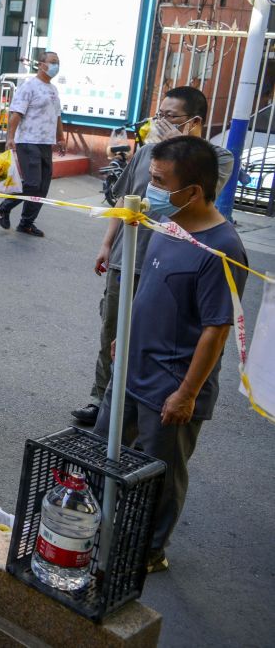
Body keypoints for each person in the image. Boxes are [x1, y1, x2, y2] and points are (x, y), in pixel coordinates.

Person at [92, 136, 247, 573]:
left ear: (194, 191)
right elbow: (149, 288)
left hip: (170, 386)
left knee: (158, 473)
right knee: (102, 448)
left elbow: (216, 329)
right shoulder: (168, 224)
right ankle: (104, 524)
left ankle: (150, 549)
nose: (150, 191)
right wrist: (127, 335)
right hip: (130, 369)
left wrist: (186, 393)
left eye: (159, 182)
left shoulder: (222, 248)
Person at [74, 86, 237, 425]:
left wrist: (180, 146)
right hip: (127, 256)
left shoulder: (215, 158)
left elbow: (208, 190)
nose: (160, 121)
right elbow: (125, 199)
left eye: (170, 116)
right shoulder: (147, 152)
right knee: (114, 332)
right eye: (158, 114)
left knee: (158, 336)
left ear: (194, 121)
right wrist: (107, 243)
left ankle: (148, 402)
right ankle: (103, 398)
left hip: (170, 260)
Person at [0, 51, 64, 237]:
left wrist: (61, 138)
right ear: (41, 64)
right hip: (27, 141)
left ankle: (26, 223)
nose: (56, 66)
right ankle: (4, 207)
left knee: (42, 187)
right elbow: (16, 114)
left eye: (58, 62)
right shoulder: (29, 87)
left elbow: (57, 116)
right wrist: (10, 137)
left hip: (45, 143)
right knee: (33, 184)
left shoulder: (53, 90)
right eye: (53, 62)